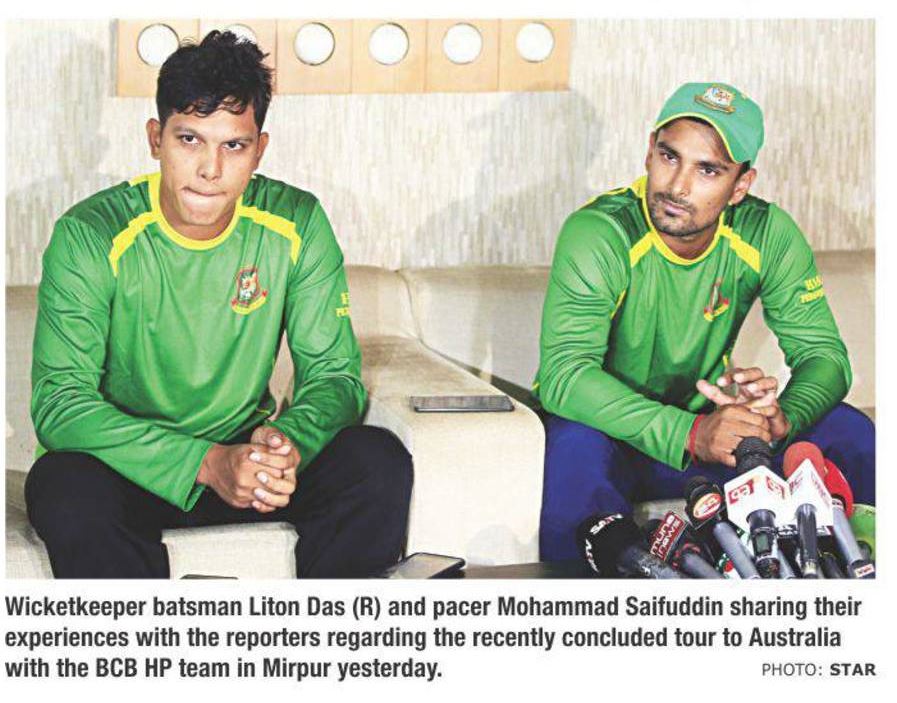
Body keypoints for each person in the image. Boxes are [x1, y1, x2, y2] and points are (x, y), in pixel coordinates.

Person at [25, 31, 413, 578]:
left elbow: (334, 377)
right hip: (134, 470)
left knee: (375, 460)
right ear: (155, 138)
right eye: (189, 139)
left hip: (246, 462)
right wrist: (205, 464)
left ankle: (325, 630)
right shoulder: (90, 234)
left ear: (260, 149)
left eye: (233, 146)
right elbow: (61, 404)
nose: (210, 169)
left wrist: (284, 445)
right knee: (63, 486)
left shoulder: (297, 222)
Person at [535, 82, 875, 561]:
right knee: (574, 445)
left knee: (849, 430)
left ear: (740, 186)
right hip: (616, 434)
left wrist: (782, 418)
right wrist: (691, 433)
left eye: (708, 170)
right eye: (669, 157)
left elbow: (826, 358)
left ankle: (862, 584)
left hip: (710, 436)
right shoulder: (601, 232)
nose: (677, 186)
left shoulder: (766, 232)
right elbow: (564, 377)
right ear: (649, 150)